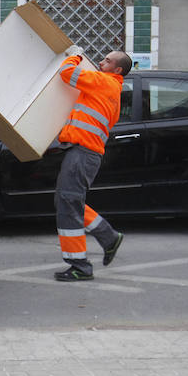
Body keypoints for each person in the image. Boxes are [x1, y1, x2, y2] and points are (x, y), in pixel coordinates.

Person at [53, 49, 131, 282]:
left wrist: (75, 55)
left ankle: (80, 266)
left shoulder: (102, 82)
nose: (100, 62)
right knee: (67, 200)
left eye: (106, 60)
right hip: (86, 153)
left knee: (68, 203)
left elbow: (66, 72)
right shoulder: (111, 89)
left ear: (117, 70)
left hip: (82, 153)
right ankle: (108, 237)